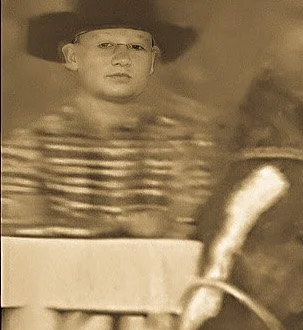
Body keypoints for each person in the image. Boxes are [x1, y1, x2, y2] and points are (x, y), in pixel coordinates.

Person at [0, 0, 217, 239]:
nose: (122, 59)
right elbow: (18, 233)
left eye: (136, 47)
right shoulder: (29, 148)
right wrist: (123, 227)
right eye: (105, 45)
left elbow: (196, 229)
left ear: (153, 61)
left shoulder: (181, 146)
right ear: (72, 57)